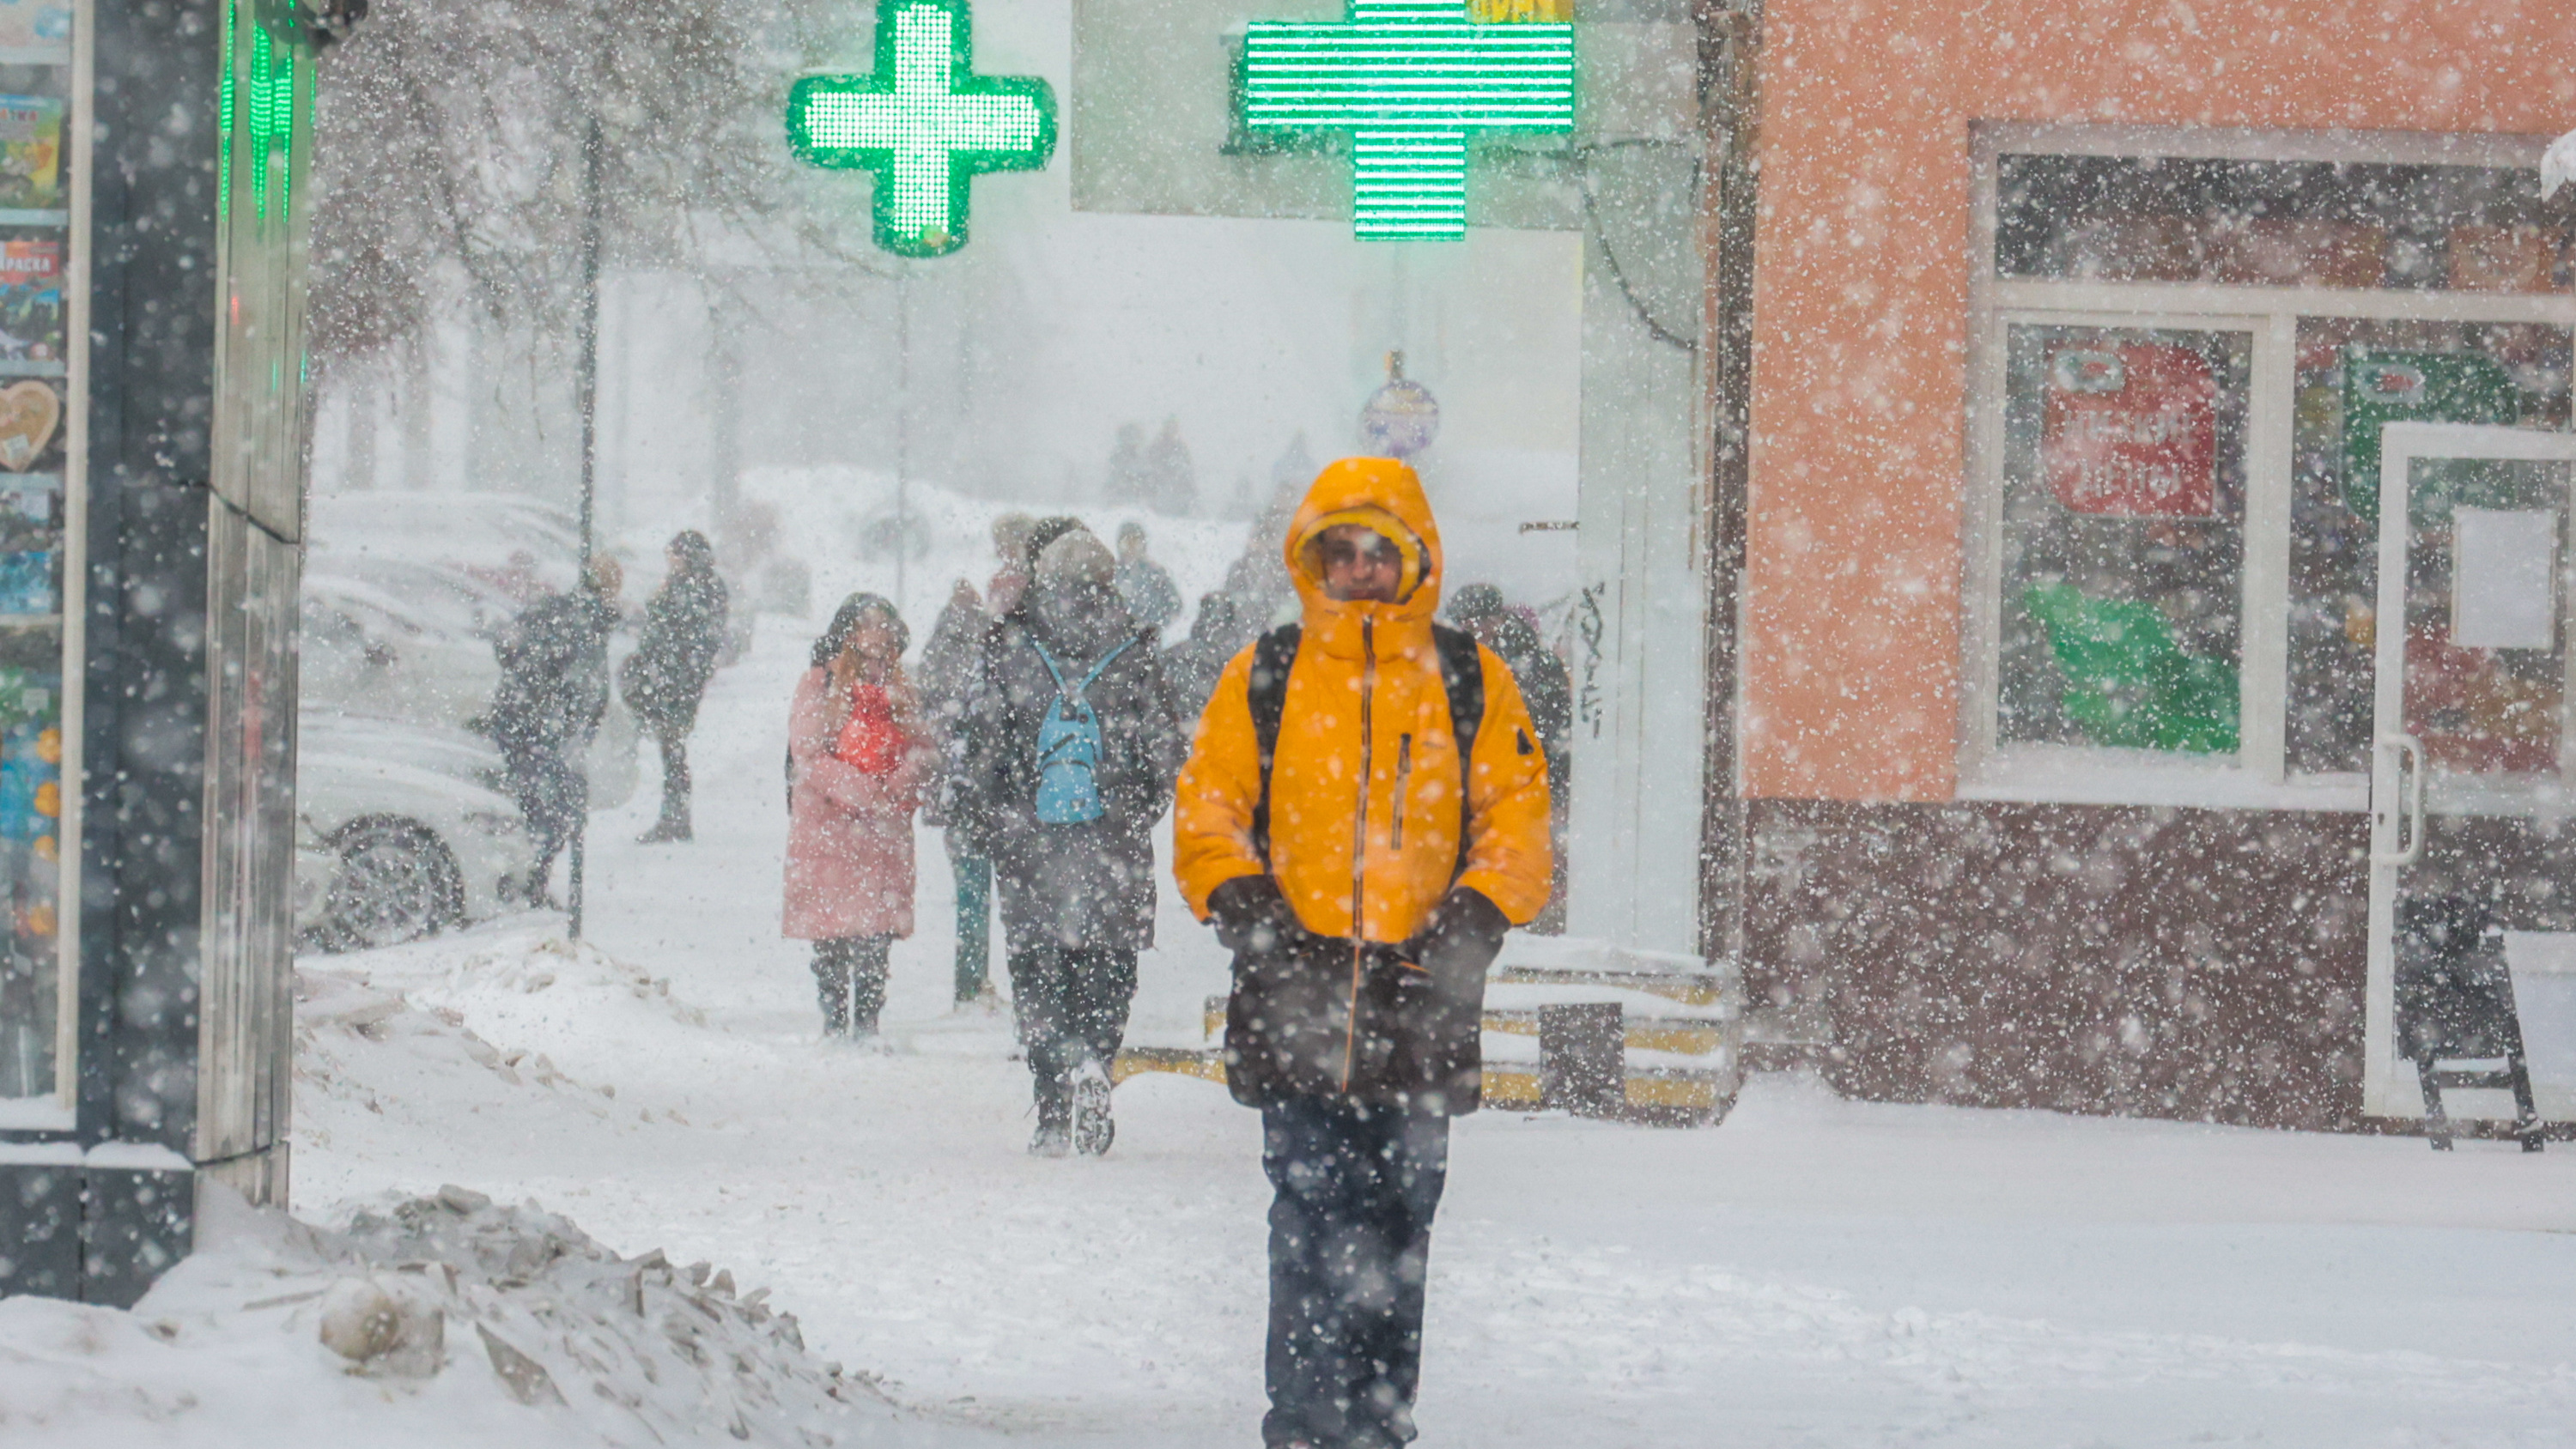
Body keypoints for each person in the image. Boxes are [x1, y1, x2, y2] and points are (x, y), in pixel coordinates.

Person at [1173, 457, 1552, 1449]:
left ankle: (1378, 1426)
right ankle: (1300, 1425)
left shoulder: (1471, 677)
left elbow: (1517, 820)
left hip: (1420, 1003)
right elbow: (1207, 808)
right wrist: (1248, 904)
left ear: (1413, 556)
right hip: (1295, 994)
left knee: (1398, 1228)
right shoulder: (1266, 673)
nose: (1358, 567)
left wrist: (1473, 915)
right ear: (1313, 559)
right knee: (1305, 1222)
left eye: (1377, 550)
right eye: (1339, 550)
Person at [951, 526, 1185, 1156]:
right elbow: (1168, 751)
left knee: (1037, 971)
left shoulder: (1008, 644)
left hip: (1031, 846)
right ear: (1109, 581)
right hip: (1114, 849)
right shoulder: (1134, 647)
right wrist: (1132, 810)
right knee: (1109, 965)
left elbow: (980, 741)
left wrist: (999, 814)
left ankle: (1052, 1102)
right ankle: (1095, 1061)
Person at [785, 594, 935, 1040]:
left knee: (876, 933)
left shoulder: (902, 687)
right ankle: (834, 1021)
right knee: (831, 933)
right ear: (847, 631)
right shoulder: (818, 684)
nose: (878, 632)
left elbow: (923, 747)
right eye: (867, 623)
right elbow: (808, 755)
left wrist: (899, 785)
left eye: (885, 623)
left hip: (882, 829)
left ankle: (867, 1022)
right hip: (831, 826)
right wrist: (866, 792)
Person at [488, 555, 625, 907]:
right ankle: (528, 884)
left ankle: (525, 880)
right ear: (609, 589)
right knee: (555, 809)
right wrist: (565, 721)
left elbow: (506, 645)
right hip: (543, 729)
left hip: (523, 720)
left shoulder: (558, 609)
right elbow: (581, 686)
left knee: (539, 804)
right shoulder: (584, 621)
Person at [1446, 584, 1574, 931]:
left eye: (1477, 621)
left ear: (1496, 618)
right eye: (1464, 622)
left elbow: (1555, 726)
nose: (1471, 629)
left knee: (1525, 852)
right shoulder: (1459, 662)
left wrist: (1557, 785)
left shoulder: (1529, 663)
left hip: (1523, 772)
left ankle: (1529, 920)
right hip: (1478, 775)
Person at [915, 576, 996, 1005]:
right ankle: (974, 986)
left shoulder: (944, 647)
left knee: (970, 895)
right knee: (984, 895)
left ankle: (969, 985)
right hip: (986, 792)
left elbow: (930, 700)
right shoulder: (992, 650)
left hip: (960, 788)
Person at [621, 530, 730, 844]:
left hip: (678, 681)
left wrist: (671, 668)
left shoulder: (699, 586)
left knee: (672, 748)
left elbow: (691, 634)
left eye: (675, 556)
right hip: (671, 678)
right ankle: (674, 816)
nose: (670, 562)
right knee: (671, 749)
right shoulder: (691, 584)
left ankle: (675, 818)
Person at [1114, 520, 1182, 634]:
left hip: (1147, 640)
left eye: (1135, 543)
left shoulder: (1156, 573)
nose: (1131, 549)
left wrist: (1154, 625)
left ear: (1143, 545)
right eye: (1126, 543)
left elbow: (1175, 605)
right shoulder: (1112, 572)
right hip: (1116, 639)